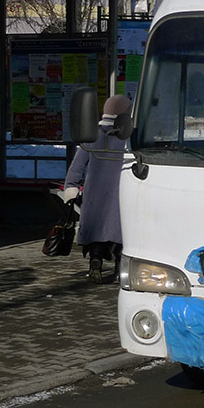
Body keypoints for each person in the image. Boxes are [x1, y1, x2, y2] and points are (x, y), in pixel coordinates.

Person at [63, 94, 130, 283]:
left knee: (97, 229)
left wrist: (71, 187)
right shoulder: (127, 137)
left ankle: (95, 261)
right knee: (120, 230)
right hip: (121, 192)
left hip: (95, 193)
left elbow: (77, 165)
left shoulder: (93, 134)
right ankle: (119, 267)